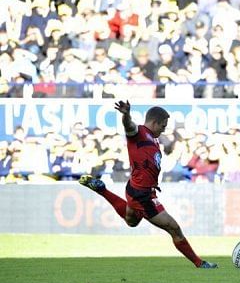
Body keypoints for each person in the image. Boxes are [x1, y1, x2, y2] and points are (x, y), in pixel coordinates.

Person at [78, 101, 217, 269]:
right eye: (163, 125)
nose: (164, 129)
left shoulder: (154, 139)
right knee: (174, 229)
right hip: (142, 195)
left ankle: (102, 190)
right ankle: (199, 263)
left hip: (135, 188)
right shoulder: (140, 133)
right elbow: (129, 127)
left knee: (131, 221)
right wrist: (126, 115)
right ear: (154, 122)